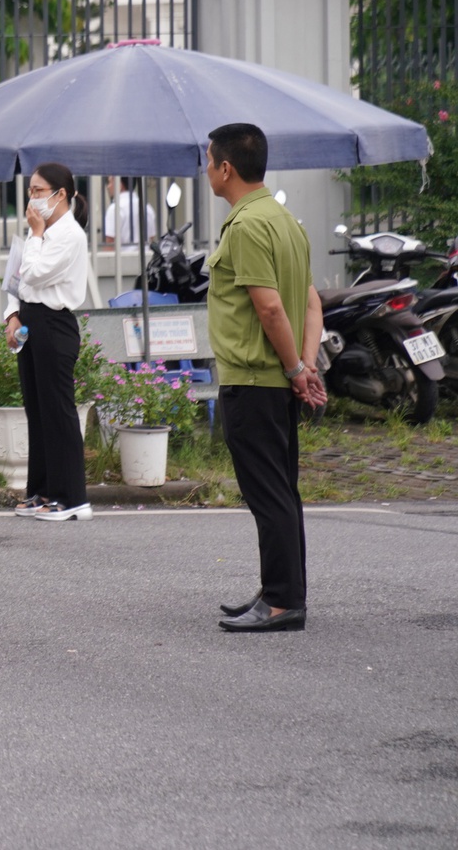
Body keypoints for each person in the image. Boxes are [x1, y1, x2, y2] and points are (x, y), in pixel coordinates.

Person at [204, 122, 325, 633]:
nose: (207, 169)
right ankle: (282, 591)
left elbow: (271, 308)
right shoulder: (284, 221)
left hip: (253, 379)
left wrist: (297, 368)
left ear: (226, 168)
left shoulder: (248, 225)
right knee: (281, 490)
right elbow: (312, 302)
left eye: (209, 161)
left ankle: (281, 603)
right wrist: (305, 364)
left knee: (268, 493)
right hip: (275, 378)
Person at [4, 162, 93, 521]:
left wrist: (37, 234)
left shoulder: (69, 235)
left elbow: (36, 273)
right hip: (31, 321)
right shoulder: (37, 234)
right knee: (37, 410)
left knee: (58, 411)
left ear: (61, 195)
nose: (32, 198)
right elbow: (17, 279)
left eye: (39, 191)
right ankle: (41, 492)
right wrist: (12, 315)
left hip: (55, 323)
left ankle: (71, 498)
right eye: (30, 191)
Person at [102, 178, 156, 249]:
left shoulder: (115, 209)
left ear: (119, 185)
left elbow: (109, 245)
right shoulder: (147, 208)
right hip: (147, 258)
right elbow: (151, 239)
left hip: (122, 259)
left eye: (110, 182)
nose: (108, 186)